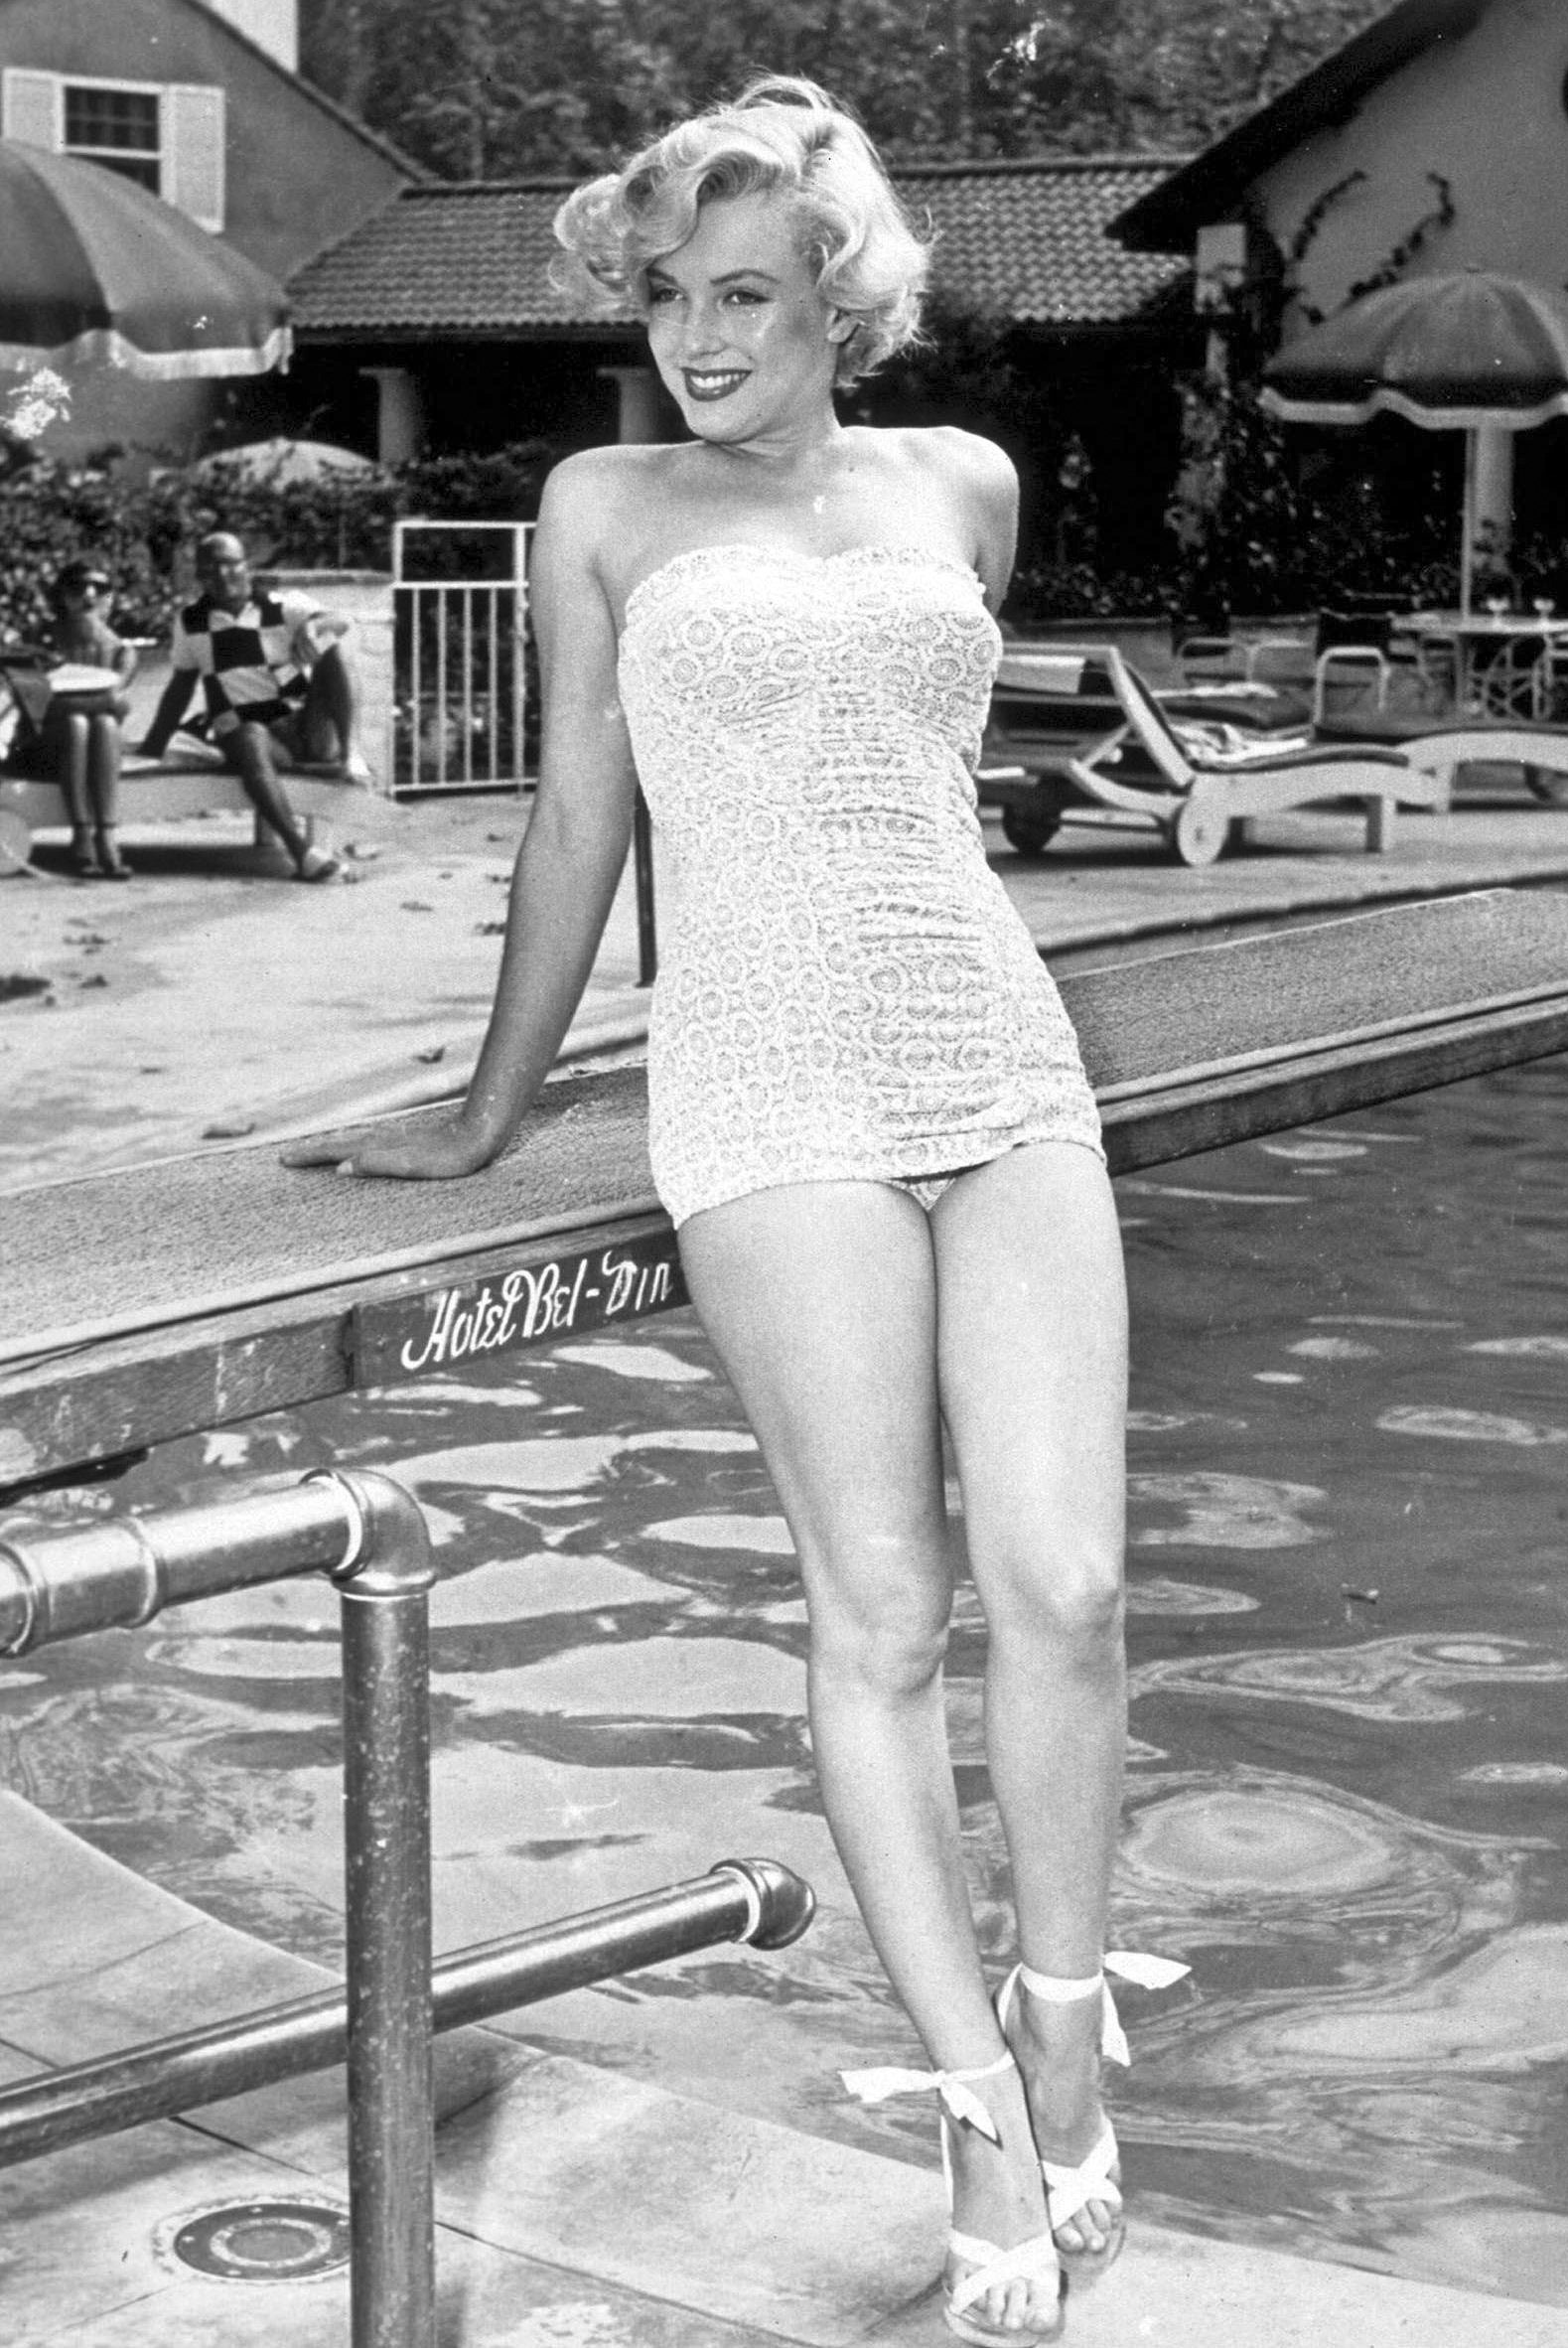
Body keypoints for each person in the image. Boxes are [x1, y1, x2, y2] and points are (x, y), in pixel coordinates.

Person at [282, 78, 1186, 2344]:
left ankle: (1067, 2023)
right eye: (671, 295)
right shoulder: (600, 505)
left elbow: (925, 780)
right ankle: (970, 2102)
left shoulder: (959, 483)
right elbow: (578, 820)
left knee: (1066, 1584)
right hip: (766, 1075)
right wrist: (485, 1115)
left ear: (836, 304)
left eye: (747, 295)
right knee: (880, 1602)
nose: (698, 336)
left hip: (996, 1046)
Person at [135, 530, 373, 882]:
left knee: (332, 648)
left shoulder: (283, 605)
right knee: (249, 734)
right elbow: (180, 687)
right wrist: (153, 744)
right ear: (199, 576)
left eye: (230, 564)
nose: (222, 575)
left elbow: (343, 622)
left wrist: (315, 626)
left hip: (304, 727)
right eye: (210, 569)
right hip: (254, 739)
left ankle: (352, 754)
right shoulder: (190, 621)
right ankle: (303, 854)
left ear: (246, 565)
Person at [8, 558, 139, 878]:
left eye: (100, 588)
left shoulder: (123, 651)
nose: (89, 595)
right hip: (40, 745)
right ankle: (82, 833)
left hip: (97, 744)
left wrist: (80, 702)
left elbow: (118, 706)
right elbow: (36, 708)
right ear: (62, 596)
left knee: (103, 723)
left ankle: (105, 834)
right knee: (79, 723)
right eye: (78, 588)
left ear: (111, 598)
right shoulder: (35, 642)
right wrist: (102, 701)